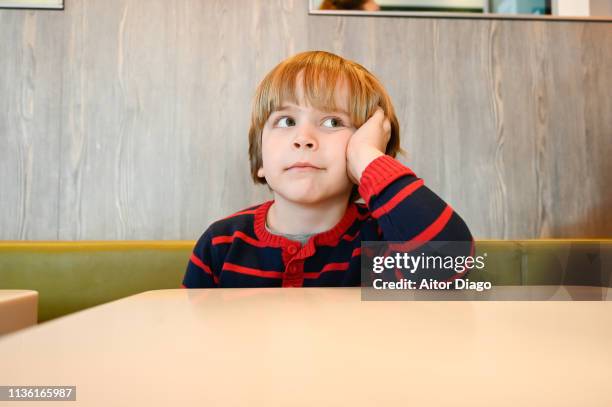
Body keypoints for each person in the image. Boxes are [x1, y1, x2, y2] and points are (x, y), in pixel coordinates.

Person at [182, 50, 472, 288]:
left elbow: (453, 261)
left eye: (333, 122)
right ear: (260, 162)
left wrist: (367, 157)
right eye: (286, 121)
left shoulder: (383, 243)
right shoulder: (220, 244)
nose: (304, 139)